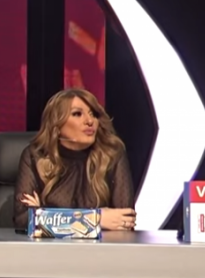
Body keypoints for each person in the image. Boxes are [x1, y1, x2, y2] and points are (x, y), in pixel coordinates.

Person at [14, 88, 137, 231]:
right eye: (77, 114)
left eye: (93, 114)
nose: (90, 121)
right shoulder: (35, 156)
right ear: (56, 125)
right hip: (49, 246)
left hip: (101, 245)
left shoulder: (112, 155)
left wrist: (46, 216)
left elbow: (125, 221)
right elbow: (24, 220)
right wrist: (95, 219)